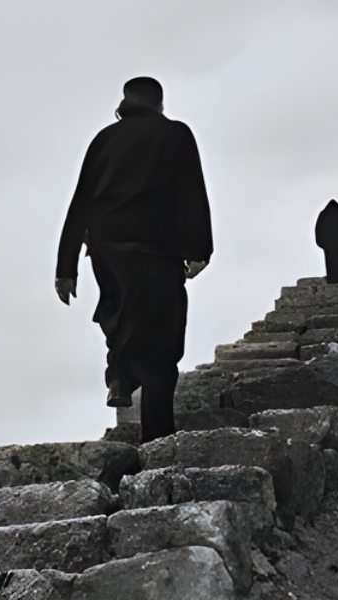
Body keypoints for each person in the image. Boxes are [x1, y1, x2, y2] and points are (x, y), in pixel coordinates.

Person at [54, 76, 213, 443]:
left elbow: (81, 201)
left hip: (108, 248)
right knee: (162, 338)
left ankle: (120, 375)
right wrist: (200, 248)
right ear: (159, 103)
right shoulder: (177, 134)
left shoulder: (104, 139)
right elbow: (193, 191)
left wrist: (66, 267)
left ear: (125, 101)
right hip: (159, 249)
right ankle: (159, 438)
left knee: (119, 312)